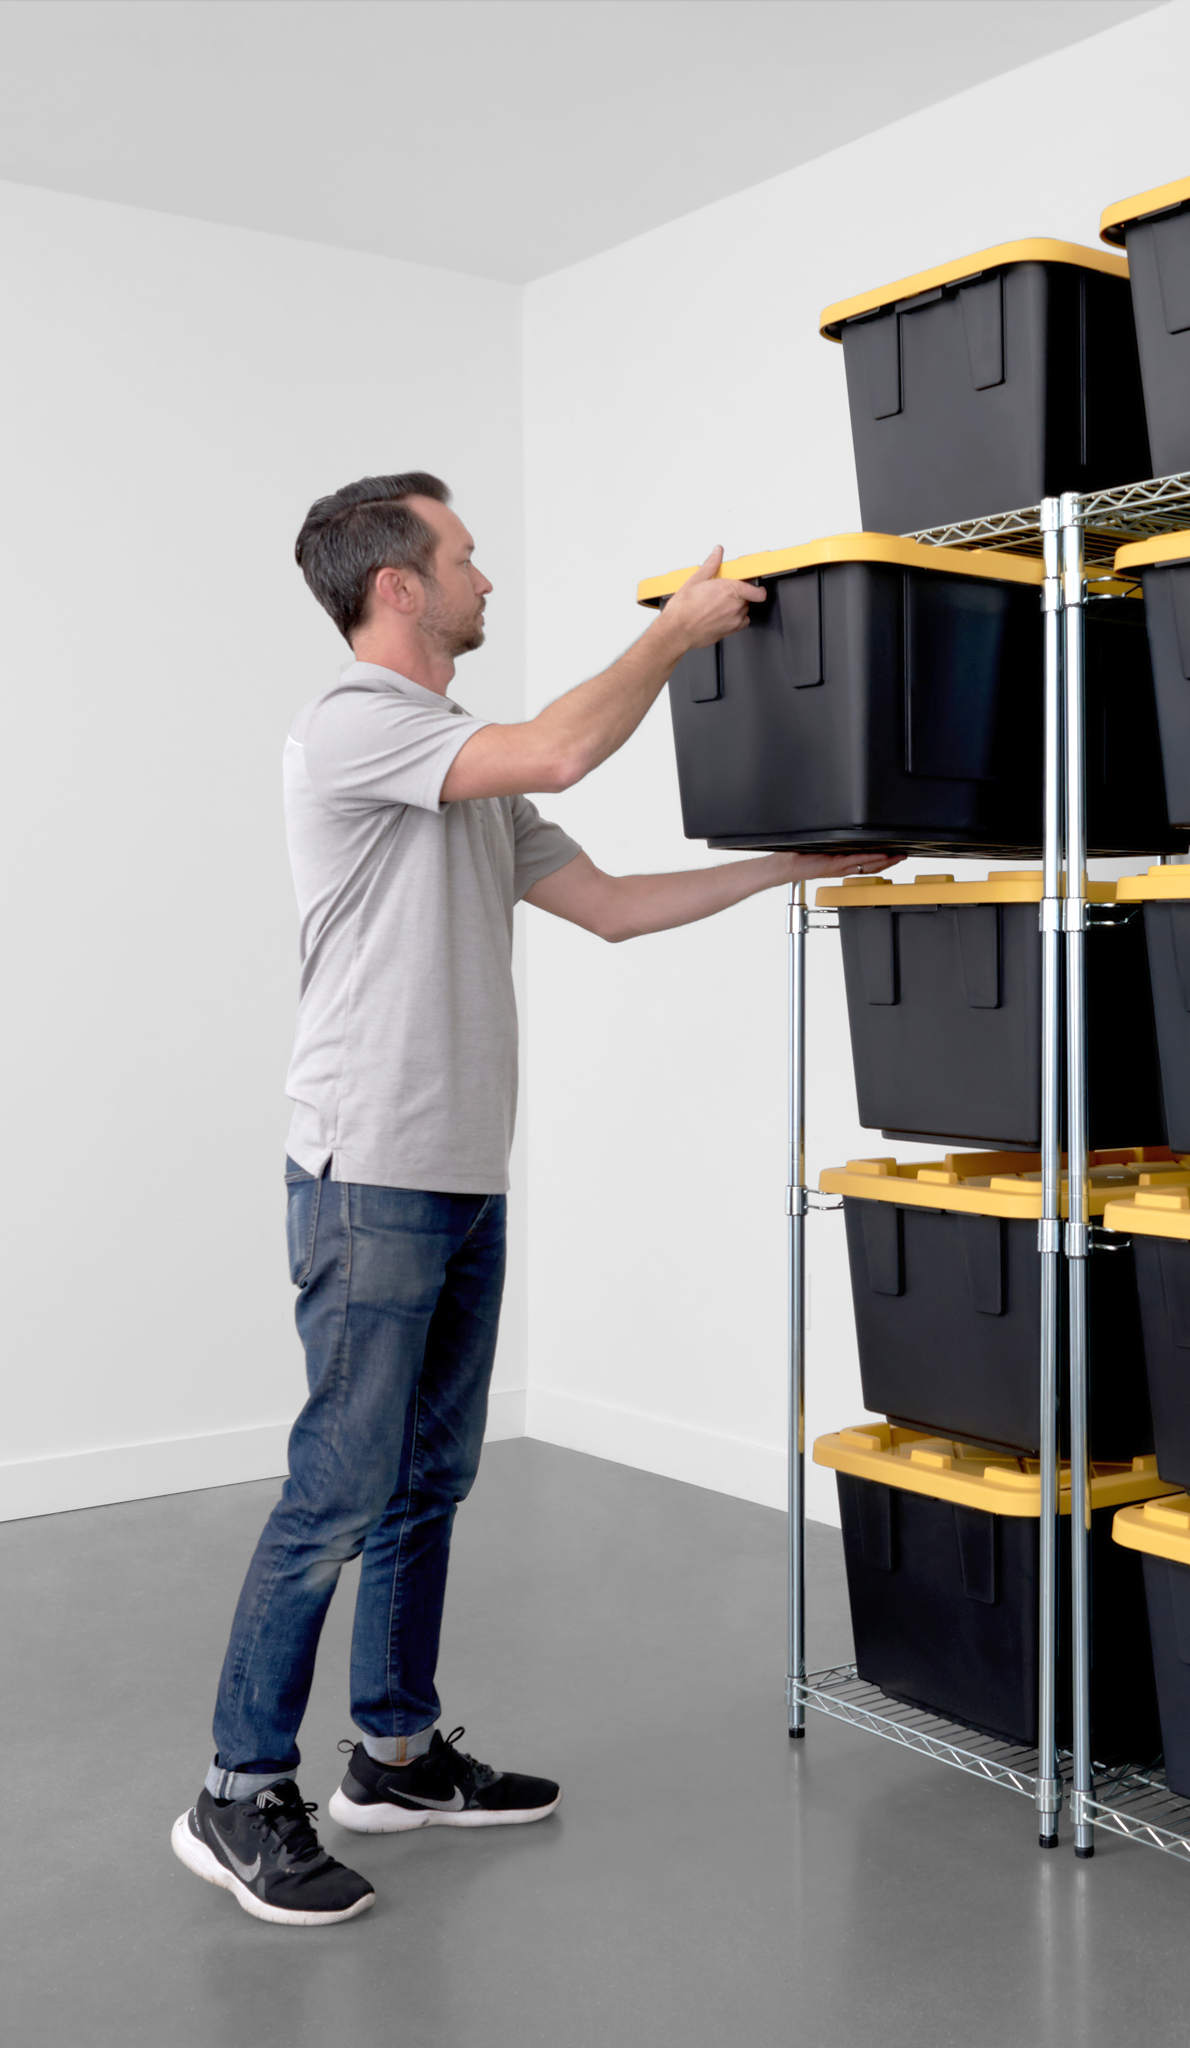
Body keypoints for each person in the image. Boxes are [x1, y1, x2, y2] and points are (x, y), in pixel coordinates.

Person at [171, 472, 895, 1927]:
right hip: (368, 1171)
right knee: (335, 1494)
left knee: (430, 1481)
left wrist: (794, 869)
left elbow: (614, 907)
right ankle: (239, 1791)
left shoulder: (454, 763)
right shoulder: (359, 725)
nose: (484, 579)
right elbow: (564, 750)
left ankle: (393, 1752)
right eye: (465, 557)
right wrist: (676, 635)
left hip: (452, 1174)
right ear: (398, 588)